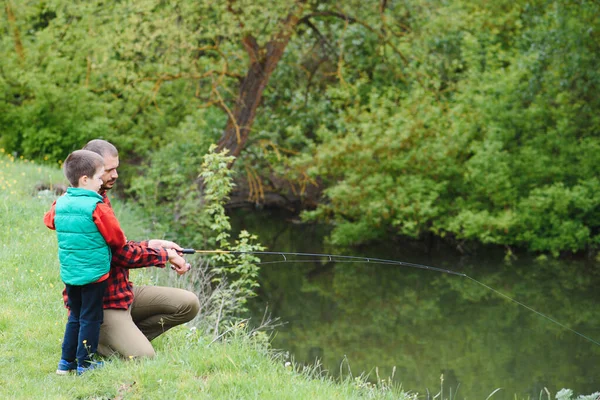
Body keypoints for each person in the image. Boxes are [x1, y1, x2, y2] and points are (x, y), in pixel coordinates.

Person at [48, 139, 200, 371]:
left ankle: (118, 336)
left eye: (116, 168)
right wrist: (165, 255)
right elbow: (121, 253)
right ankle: (96, 343)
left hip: (121, 293)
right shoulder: (94, 205)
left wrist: (153, 244)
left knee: (188, 304)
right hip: (100, 301)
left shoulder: (81, 201)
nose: (115, 175)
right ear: (87, 174)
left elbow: (114, 245)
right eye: (107, 171)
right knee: (144, 357)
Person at [44, 150, 127, 375]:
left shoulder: (60, 203)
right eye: (100, 177)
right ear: (85, 179)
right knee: (91, 317)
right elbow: (117, 239)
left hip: (71, 272)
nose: (102, 182)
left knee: (75, 316)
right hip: (94, 274)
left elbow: (49, 222)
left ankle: (65, 363)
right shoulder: (97, 207)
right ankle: (85, 364)